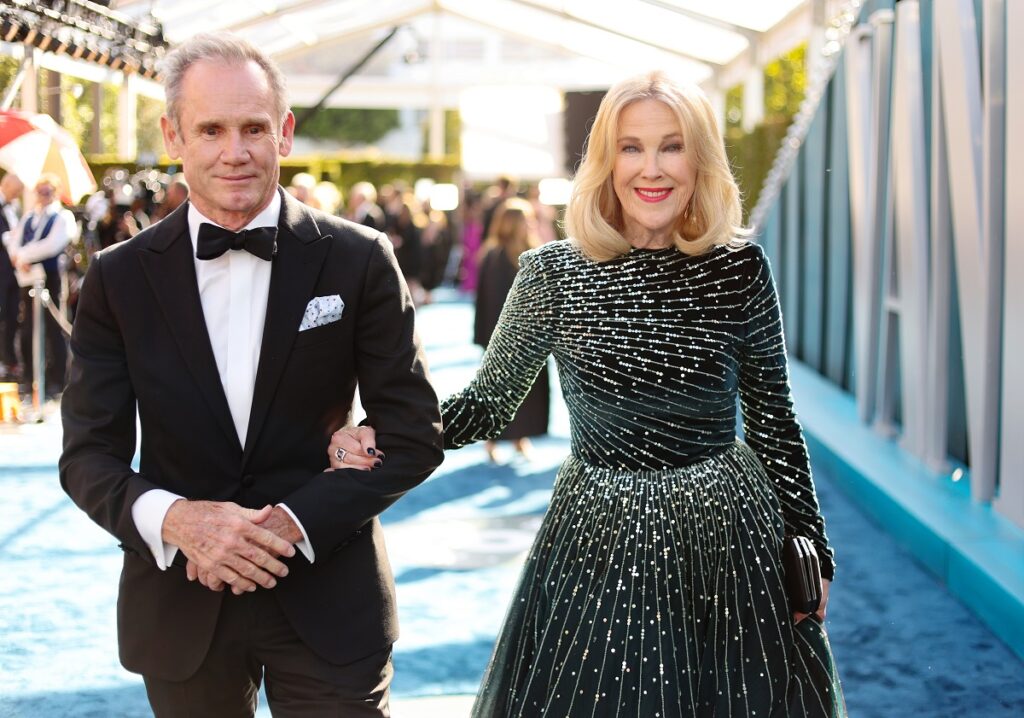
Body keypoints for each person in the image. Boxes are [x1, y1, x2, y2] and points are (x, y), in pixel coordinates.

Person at [329, 70, 845, 717]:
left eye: (672, 146)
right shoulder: (552, 274)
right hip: (600, 541)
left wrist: (814, 550)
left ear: (700, 160)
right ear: (605, 161)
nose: (651, 168)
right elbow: (488, 403)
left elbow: (774, 419)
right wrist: (382, 432)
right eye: (631, 147)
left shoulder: (740, 268)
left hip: (727, 539)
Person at [59, 32, 443, 718]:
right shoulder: (118, 278)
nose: (234, 151)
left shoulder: (358, 258)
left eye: (253, 129)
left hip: (330, 595)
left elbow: (414, 432)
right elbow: (88, 456)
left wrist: (290, 524)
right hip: (182, 602)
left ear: (284, 133)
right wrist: (179, 521)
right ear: (173, 136)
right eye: (211, 129)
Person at [473, 197, 549, 461]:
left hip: (530, 338)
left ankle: (519, 438)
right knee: (499, 391)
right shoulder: (495, 256)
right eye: (526, 220)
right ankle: (491, 441)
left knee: (527, 392)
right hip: (504, 339)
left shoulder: (531, 254)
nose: (531, 224)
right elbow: (490, 302)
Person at [6, 173, 77, 394]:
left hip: (50, 278)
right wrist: (19, 258)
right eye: (40, 191)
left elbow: (53, 244)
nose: (43, 196)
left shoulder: (62, 217)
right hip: (27, 279)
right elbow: (14, 242)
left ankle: (57, 380)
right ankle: (30, 377)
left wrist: (24, 255)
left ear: (55, 193)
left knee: (53, 329)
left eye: (47, 192)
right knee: (27, 328)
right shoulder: (29, 217)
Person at [0, 172, 24, 380]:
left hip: (14, 273)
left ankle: (9, 360)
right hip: (2, 270)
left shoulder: (15, 207)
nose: (17, 195)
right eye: (15, 191)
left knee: (12, 316)